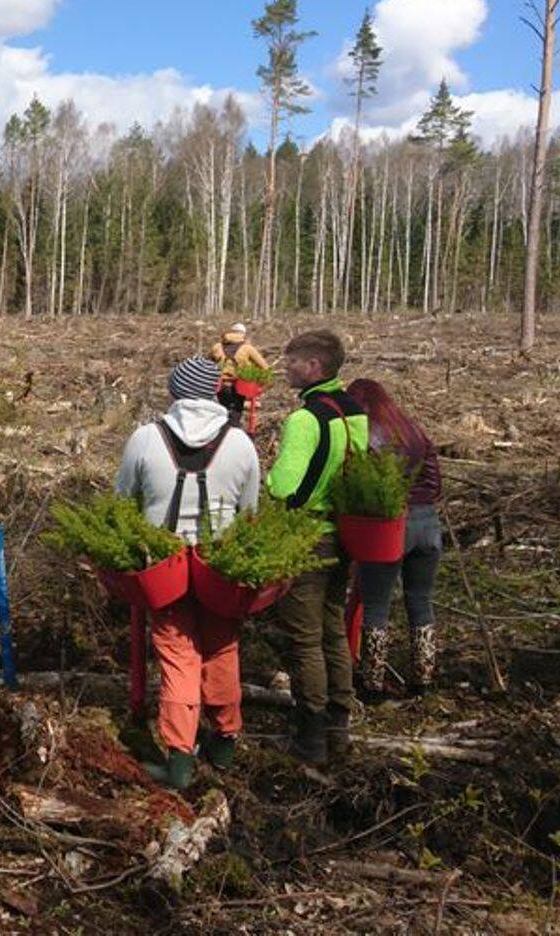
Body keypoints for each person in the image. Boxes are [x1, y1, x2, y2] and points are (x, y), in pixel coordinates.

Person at [114, 356, 262, 787]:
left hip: (165, 565)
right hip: (223, 564)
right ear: (216, 392)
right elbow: (250, 510)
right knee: (221, 650)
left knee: (179, 658)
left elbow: (122, 501)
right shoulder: (239, 443)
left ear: (175, 393)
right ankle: (224, 743)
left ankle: (179, 761)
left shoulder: (146, 438)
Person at [265, 329, 368, 766]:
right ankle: (339, 728)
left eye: (292, 361)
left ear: (314, 368)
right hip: (343, 535)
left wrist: (269, 482)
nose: (285, 368)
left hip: (308, 534)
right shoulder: (355, 411)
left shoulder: (304, 420)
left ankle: (310, 736)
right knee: (333, 630)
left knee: (304, 640)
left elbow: (286, 485)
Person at [347, 379, 444, 700]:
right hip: (428, 523)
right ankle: (423, 680)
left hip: (389, 526)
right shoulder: (412, 429)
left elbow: (358, 484)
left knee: (376, 605)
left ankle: (372, 683)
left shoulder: (365, 435)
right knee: (420, 601)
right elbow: (434, 481)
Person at [210, 323, 271, 429]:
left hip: (219, 387)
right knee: (235, 417)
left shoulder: (217, 347)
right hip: (239, 387)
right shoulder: (247, 348)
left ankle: (220, 436)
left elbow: (207, 365)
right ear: (243, 334)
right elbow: (265, 368)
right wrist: (260, 384)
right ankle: (232, 438)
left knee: (222, 413)